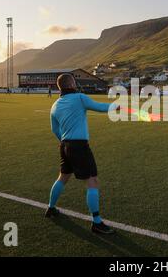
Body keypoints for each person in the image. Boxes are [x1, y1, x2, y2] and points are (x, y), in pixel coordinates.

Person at [46, 73, 119, 234]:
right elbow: (100, 107)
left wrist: (63, 141)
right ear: (72, 83)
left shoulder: (55, 105)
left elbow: (54, 129)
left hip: (64, 146)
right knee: (92, 181)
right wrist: (116, 106)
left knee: (63, 177)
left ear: (59, 87)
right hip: (79, 146)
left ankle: (51, 208)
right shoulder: (79, 97)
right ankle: (97, 222)